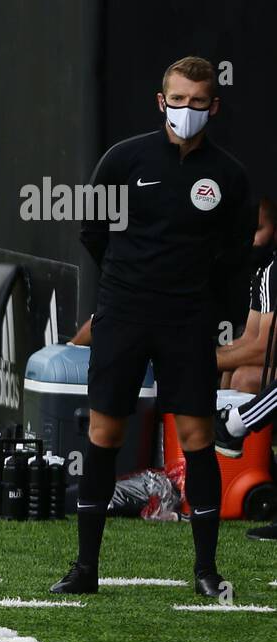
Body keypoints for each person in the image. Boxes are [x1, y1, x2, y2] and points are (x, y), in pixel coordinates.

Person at [50, 56, 251, 598]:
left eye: (199, 101)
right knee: (104, 434)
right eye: (179, 100)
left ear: (215, 105)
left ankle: (207, 572)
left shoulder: (230, 176)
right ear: (162, 101)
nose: (188, 110)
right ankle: (85, 569)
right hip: (123, 314)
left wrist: (216, 313)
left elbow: (235, 257)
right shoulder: (124, 159)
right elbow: (93, 232)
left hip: (188, 321)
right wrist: (124, 284)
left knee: (197, 438)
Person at [216, 197, 276, 393]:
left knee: (244, 377)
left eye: (258, 229)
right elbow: (250, 337)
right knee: (230, 367)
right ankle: (221, 423)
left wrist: (206, 362)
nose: (251, 239)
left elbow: (265, 351)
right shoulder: (263, 271)